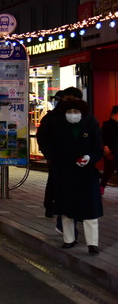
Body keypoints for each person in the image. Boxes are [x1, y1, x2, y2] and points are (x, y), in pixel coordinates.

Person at [44, 97, 103, 255]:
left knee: (90, 210)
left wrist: (89, 158)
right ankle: (68, 240)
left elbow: (98, 149)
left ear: (82, 113)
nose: (72, 114)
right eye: (69, 111)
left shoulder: (90, 128)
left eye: (76, 111)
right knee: (66, 209)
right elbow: (52, 149)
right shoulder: (59, 129)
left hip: (87, 174)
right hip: (65, 173)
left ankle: (92, 244)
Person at [37, 87, 83, 218]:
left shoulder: (84, 116)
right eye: (68, 98)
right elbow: (42, 136)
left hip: (78, 157)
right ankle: (50, 206)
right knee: (54, 181)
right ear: (62, 99)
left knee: (77, 182)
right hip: (57, 156)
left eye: (75, 99)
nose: (71, 101)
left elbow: (93, 135)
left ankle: (76, 209)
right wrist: (48, 154)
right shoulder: (52, 117)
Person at [100, 105, 118, 195]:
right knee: (108, 170)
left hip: (114, 150)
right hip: (110, 150)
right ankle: (101, 186)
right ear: (113, 114)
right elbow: (104, 137)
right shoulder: (107, 124)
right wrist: (106, 147)